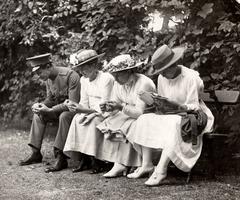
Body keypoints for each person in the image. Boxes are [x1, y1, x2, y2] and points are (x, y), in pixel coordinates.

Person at [126, 44, 214, 186]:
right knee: (144, 118)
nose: (162, 74)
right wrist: (156, 102)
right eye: (160, 71)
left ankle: (161, 170)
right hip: (170, 114)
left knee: (173, 123)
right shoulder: (162, 78)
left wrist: (179, 106)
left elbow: (194, 106)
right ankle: (147, 163)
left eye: (164, 70)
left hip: (192, 115)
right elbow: (163, 100)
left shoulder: (190, 77)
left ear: (174, 65)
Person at [96, 54, 156, 178]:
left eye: (118, 74)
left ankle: (144, 163)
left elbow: (140, 112)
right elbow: (116, 104)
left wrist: (120, 107)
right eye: (114, 75)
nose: (116, 78)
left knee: (127, 125)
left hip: (149, 116)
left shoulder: (144, 83)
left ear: (128, 71)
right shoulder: (118, 84)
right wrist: (109, 108)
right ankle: (119, 163)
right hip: (130, 114)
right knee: (111, 121)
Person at [19, 53, 81, 173]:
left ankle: (61, 156)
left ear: (48, 66)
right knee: (38, 115)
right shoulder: (48, 79)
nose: (38, 76)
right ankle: (36, 152)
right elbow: (50, 99)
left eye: (39, 73)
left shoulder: (70, 75)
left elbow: (73, 104)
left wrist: (51, 110)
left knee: (64, 116)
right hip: (59, 109)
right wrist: (41, 106)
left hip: (75, 111)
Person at [63, 49, 115, 173]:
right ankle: (84, 158)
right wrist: (76, 107)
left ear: (93, 65)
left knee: (94, 121)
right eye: (79, 68)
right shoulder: (83, 80)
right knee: (77, 119)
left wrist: (85, 110)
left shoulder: (106, 79)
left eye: (84, 68)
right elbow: (84, 101)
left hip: (106, 112)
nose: (81, 72)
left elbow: (105, 103)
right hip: (89, 110)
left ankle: (97, 160)